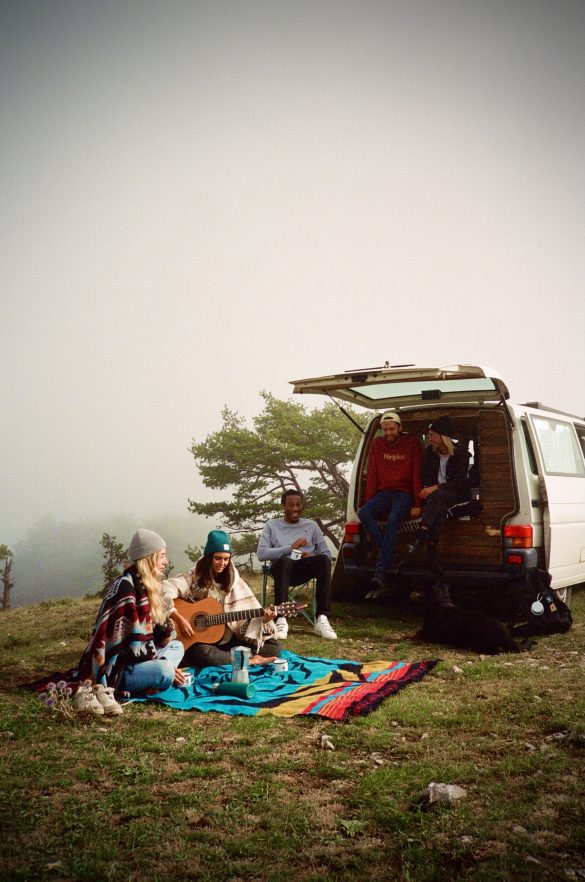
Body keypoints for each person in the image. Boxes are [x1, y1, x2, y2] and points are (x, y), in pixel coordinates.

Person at [76, 529, 188, 707]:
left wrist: (165, 629)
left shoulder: (148, 586)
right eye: (162, 556)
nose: (166, 561)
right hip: (119, 668)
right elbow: (119, 647)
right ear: (149, 558)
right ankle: (157, 677)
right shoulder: (126, 587)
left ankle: (156, 676)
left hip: (143, 658)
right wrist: (159, 665)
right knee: (164, 671)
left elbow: (155, 639)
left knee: (177, 646)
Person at [168, 530, 281, 668]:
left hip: (229, 640)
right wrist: (179, 618)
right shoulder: (193, 577)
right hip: (201, 643)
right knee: (203, 653)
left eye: (226, 559)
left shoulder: (235, 583)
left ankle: (229, 658)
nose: (222, 563)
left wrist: (262, 620)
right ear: (209, 557)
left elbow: (243, 621)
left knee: (274, 647)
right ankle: (249, 660)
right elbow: (162, 591)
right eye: (218, 558)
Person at [257, 489, 337, 640]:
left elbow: (326, 554)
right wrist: (290, 548)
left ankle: (322, 618)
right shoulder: (272, 525)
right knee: (284, 561)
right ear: (283, 506)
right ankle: (281, 619)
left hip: (303, 567)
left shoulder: (312, 526)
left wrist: (310, 556)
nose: (295, 508)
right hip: (280, 569)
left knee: (323, 560)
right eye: (291, 504)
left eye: (298, 504)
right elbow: (261, 554)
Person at [358, 411, 422, 590]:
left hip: (405, 493)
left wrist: (418, 503)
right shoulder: (377, 444)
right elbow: (372, 474)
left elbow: (417, 473)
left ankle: (381, 570)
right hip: (384, 492)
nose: (388, 433)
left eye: (391, 429)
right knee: (364, 513)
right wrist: (369, 501)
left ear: (399, 428)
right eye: (385, 429)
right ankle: (391, 556)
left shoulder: (412, 443)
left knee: (394, 519)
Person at [407, 416, 471, 559]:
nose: (429, 438)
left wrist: (434, 488)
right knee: (438, 508)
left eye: (432, 435)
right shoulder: (430, 452)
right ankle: (432, 552)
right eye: (428, 435)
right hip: (436, 498)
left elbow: (460, 483)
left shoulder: (461, 454)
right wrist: (424, 493)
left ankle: (421, 535)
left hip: (456, 494)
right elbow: (424, 475)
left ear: (443, 436)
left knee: (438, 496)